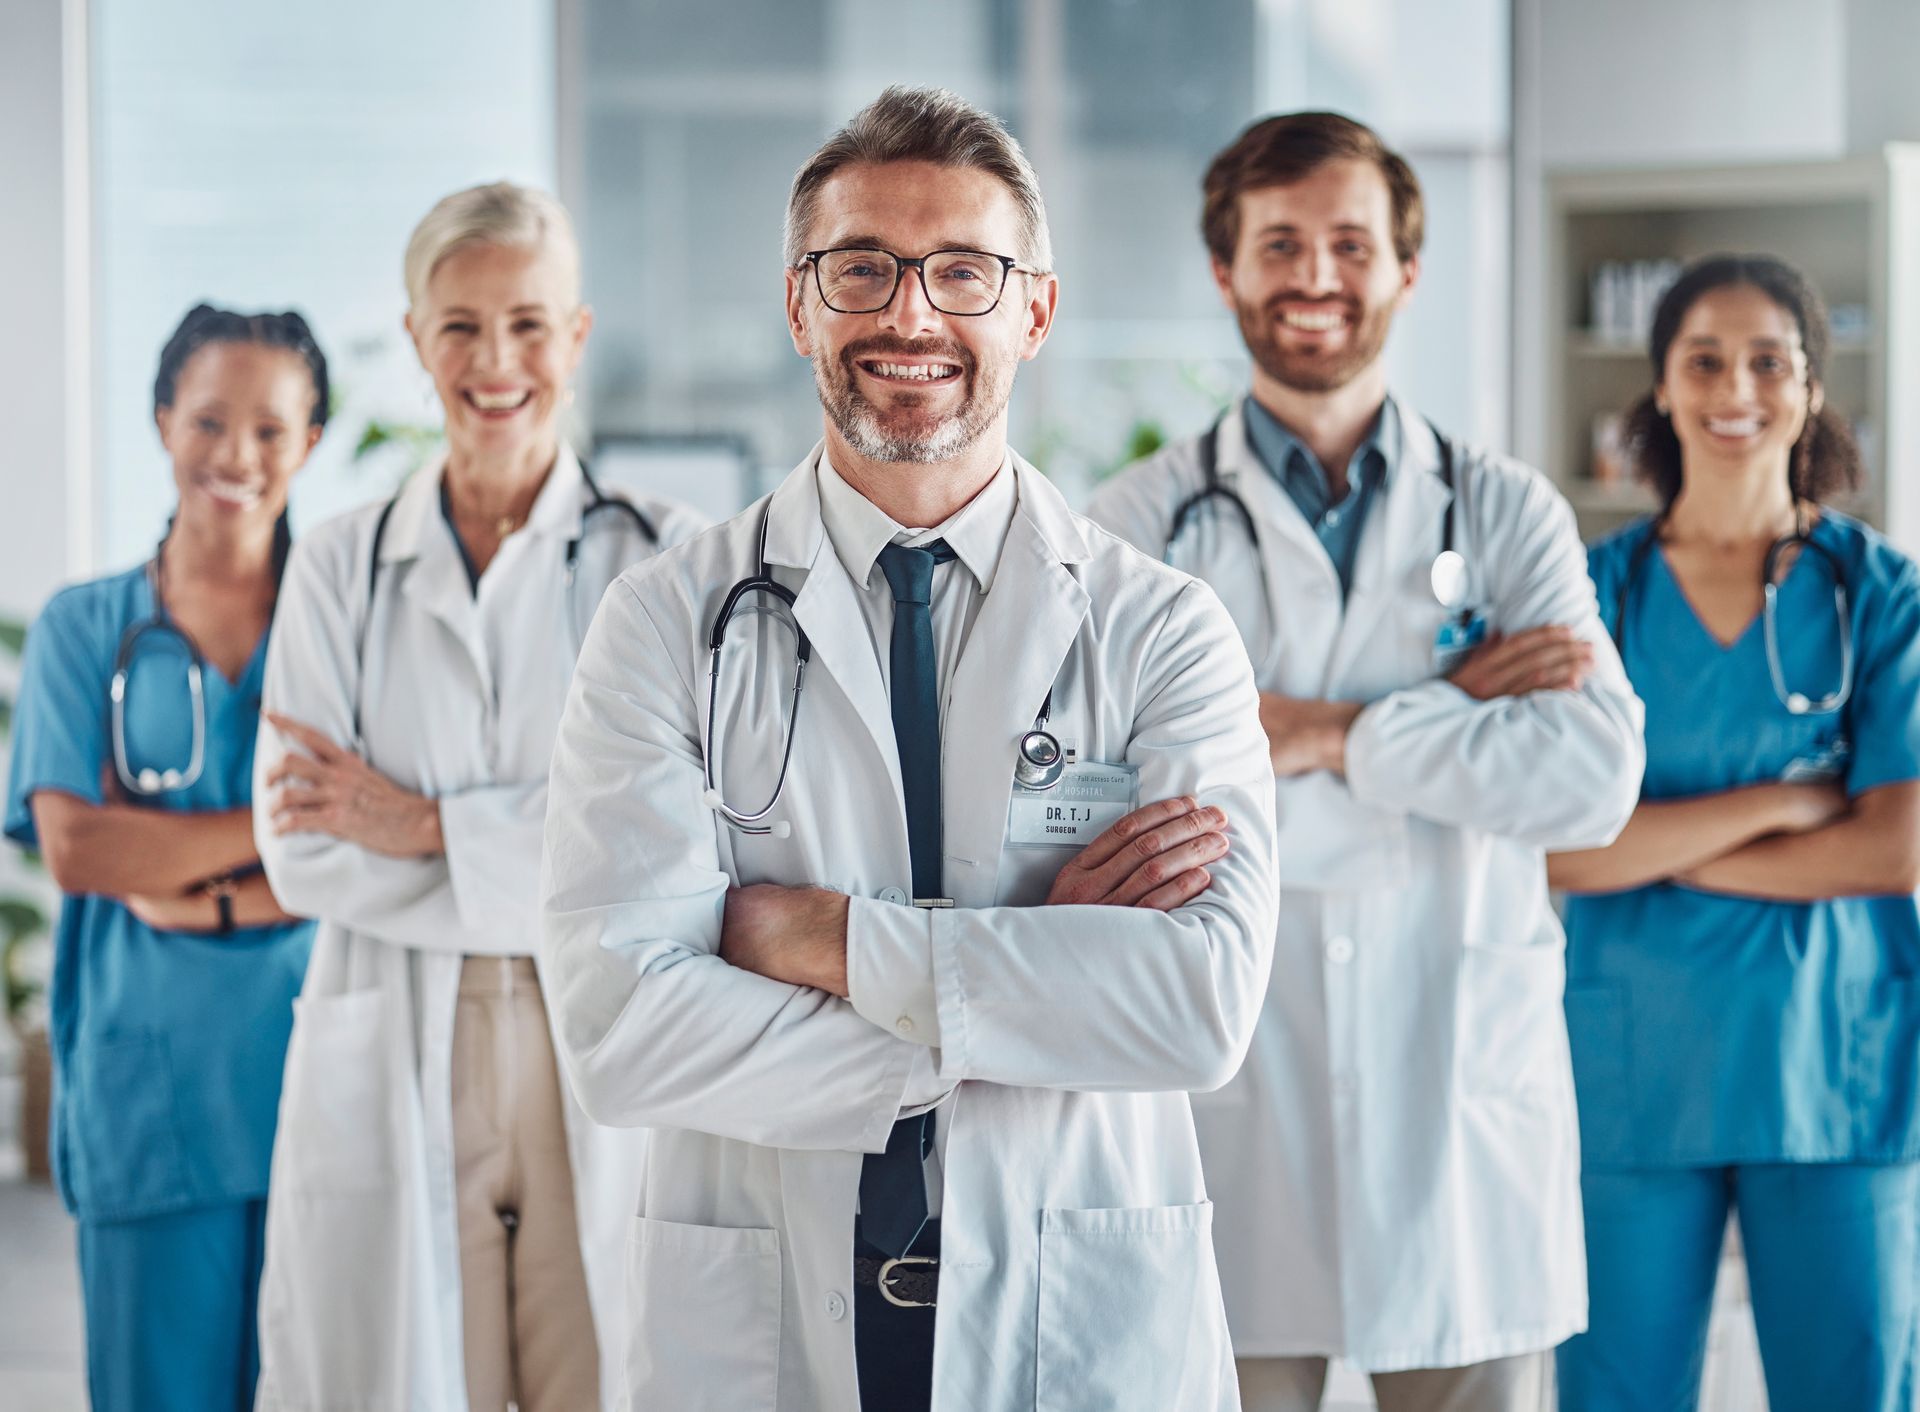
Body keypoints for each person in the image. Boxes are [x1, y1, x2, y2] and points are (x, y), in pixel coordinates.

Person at [539, 86, 1280, 1412]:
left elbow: (1198, 1005)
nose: (911, 315)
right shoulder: (662, 624)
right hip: (767, 1317)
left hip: (1077, 1312)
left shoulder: (1162, 629)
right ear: (799, 302)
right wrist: (1027, 994)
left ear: (1035, 310)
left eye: (964, 271)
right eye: (862, 268)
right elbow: (620, 1027)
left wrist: (823, 943)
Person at [1088, 112, 1644, 1412]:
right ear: (1226, 270)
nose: (1317, 276)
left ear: (1408, 266)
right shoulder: (1137, 524)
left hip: (1458, 1107)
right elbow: (1097, 792)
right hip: (1230, 1100)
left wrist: (1330, 730)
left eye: (1351, 242)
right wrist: (1451, 712)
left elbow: (1592, 778)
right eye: (1280, 243)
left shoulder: (1502, 509)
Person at [250, 182, 705, 1412]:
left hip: (597, 1035)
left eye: (527, 323)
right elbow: (301, 852)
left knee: (602, 1374)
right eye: (458, 326)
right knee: (406, 1372)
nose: (494, 361)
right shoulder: (340, 561)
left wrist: (423, 825)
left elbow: (682, 841)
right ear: (412, 340)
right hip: (400, 1027)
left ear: (578, 334)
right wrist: (555, 852)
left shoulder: (668, 558)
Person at [1549, 254, 1920, 1411]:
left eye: (1769, 359)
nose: (1735, 386)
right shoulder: (1588, 596)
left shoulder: (1879, 594)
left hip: (1833, 1072)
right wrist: (1777, 800)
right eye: (1702, 358)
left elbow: (1895, 847)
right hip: (1632, 1078)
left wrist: (1651, 842)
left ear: (1812, 389)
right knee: (1618, 1394)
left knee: (1852, 1390)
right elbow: (1559, 848)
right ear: (1658, 386)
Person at [4, 304, 327, 1411]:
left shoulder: (341, 631)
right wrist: (283, 835)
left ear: (311, 443)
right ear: (161, 422)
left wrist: (188, 882)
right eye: (207, 420)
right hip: (150, 1107)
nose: (235, 455)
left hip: (321, 1091)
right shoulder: (83, 628)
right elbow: (81, 847)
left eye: (270, 430)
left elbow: (384, 848)